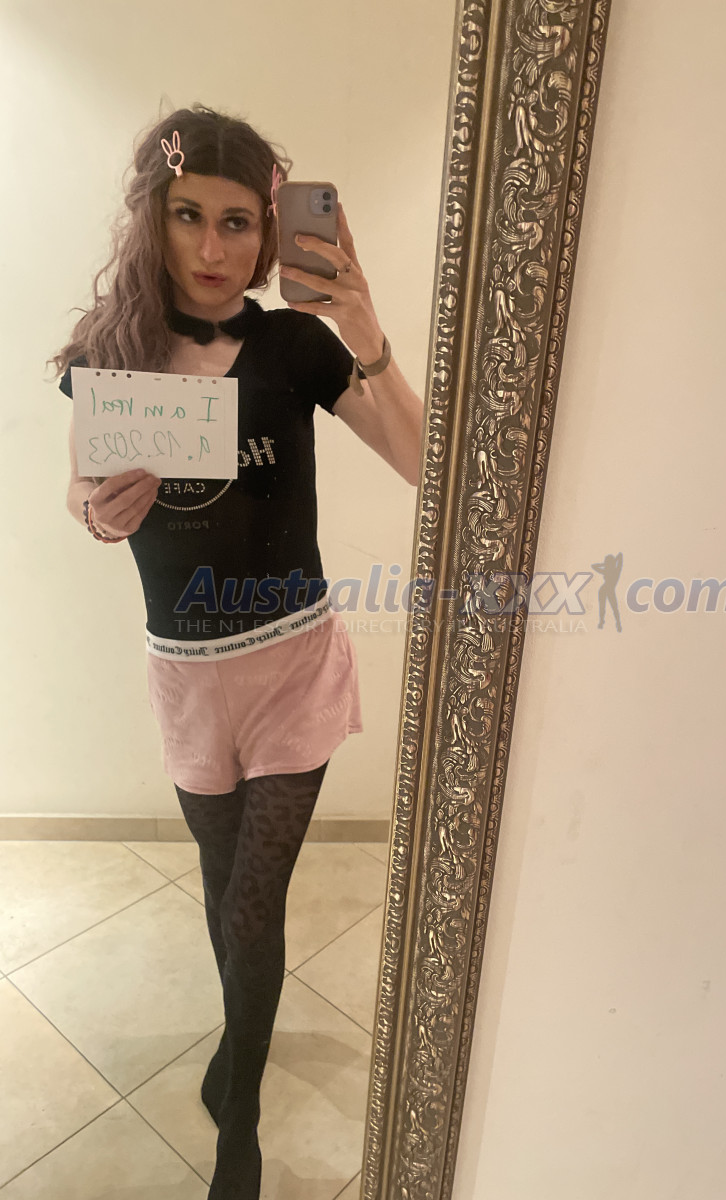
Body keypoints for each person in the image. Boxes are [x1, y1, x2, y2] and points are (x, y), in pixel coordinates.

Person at [51, 104, 424, 1199]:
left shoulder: (296, 347)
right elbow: (80, 490)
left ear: (268, 231)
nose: (214, 249)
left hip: (291, 666)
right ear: (153, 218)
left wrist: (365, 327)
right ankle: (237, 1041)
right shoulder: (110, 355)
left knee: (255, 906)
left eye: (237, 222)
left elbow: (426, 462)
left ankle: (240, 1131)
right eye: (189, 217)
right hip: (186, 676)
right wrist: (97, 510)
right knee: (224, 895)